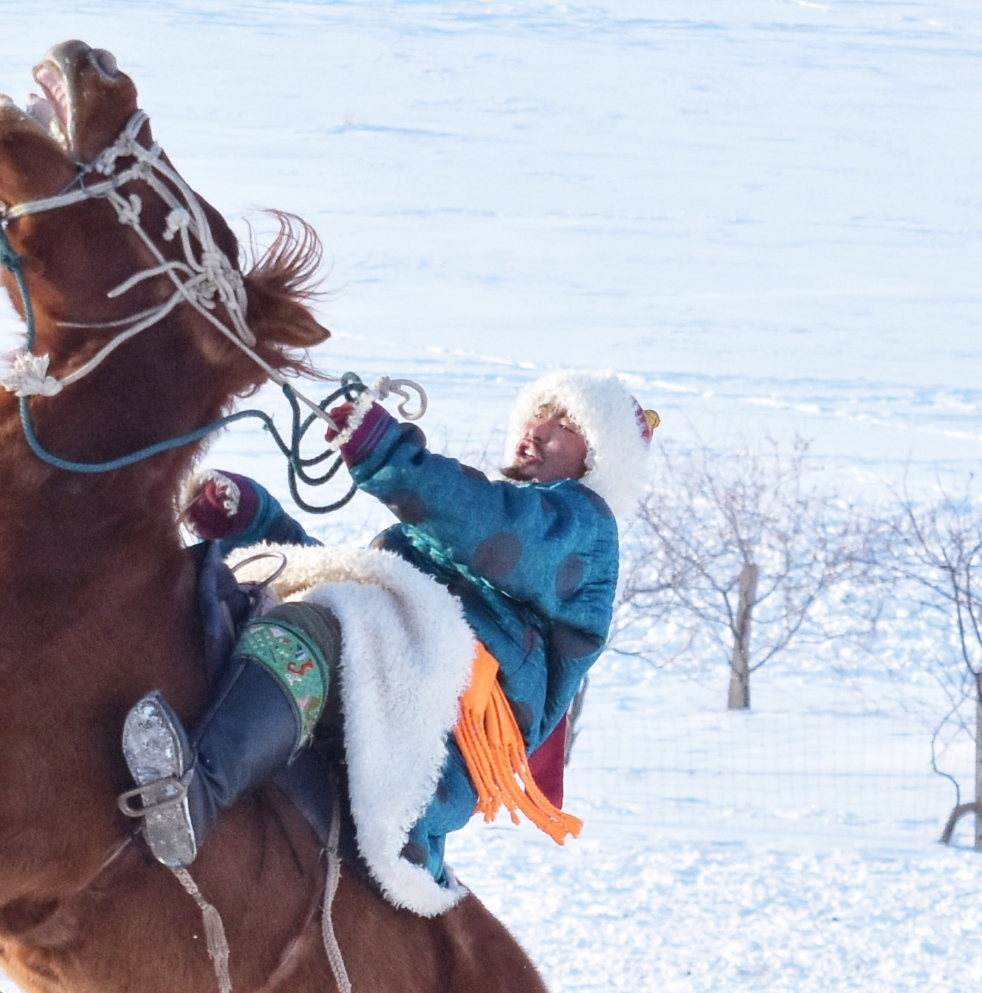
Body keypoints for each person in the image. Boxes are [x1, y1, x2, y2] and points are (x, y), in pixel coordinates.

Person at [119, 370, 658, 894]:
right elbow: (353, 583)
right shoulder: (446, 536)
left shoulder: (583, 530)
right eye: (538, 413)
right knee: (227, 594)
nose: (538, 428)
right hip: (398, 663)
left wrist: (392, 458)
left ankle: (196, 793)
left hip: (443, 716)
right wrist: (257, 530)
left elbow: (499, 533)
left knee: (314, 626)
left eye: (565, 423)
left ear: (598, 460)